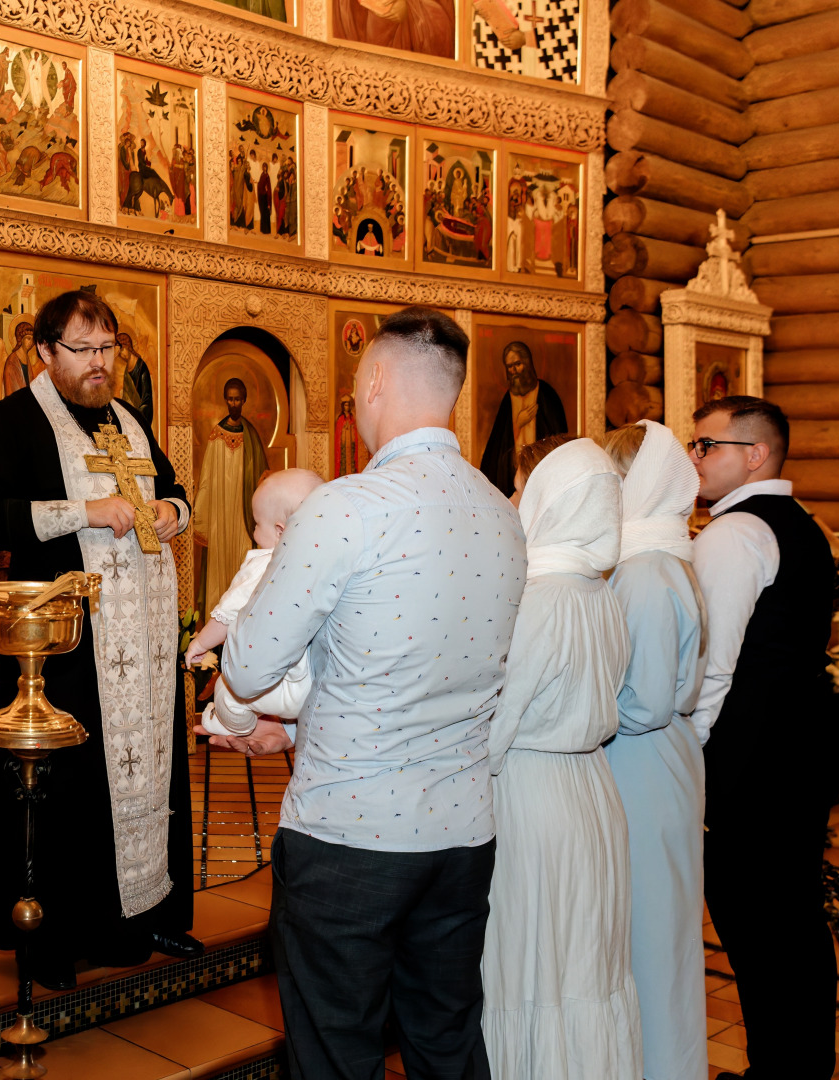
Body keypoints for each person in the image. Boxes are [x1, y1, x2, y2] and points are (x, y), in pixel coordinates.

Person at [219, 307, 525, 1080]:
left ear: (377, 380)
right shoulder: (501, 514)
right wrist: (295, 728)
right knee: (445, 1040)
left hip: (349, 833)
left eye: (356, 387)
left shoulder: (346, 506)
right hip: (462, 831)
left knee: (335, 1052)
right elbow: (418, 665)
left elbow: (251, 669)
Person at [0, 289, 199, 991]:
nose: (100, 365)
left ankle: (142, 916)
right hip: (63, 650)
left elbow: (178, 492)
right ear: (44, 351)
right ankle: (51, 937)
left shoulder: (128, 419)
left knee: (146, 777)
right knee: (64, 790)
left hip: (143, 646)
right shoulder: (12, 421)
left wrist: (170, 511)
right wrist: (84, 513)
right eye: (83, 350)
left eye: (108, 349)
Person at [689, 396, 839, 1080]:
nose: (692, 458)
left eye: (705, 445)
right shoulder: (801, 523)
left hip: (752, 754)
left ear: (753, 454)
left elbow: (712, 664)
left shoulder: (732, 533)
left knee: (756, 923)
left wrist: (685, 756)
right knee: (791, 923)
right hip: (803, 737)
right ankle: (799, 1066)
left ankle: (778, 1071)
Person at [480, 436, 640, 1080]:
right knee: (583, 960)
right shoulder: (601, 592)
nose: (515, 501)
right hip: (592, 788)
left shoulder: (538, 597)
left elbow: (497, 721)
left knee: (530, 962)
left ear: (550, 500)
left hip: (531, 792)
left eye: (523, 488)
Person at [602, 420, 708, 1080]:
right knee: (655, 938)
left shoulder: (641, 569)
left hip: (637, 762)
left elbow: (638, 702)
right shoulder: (664, 555)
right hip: (657, 758)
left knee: (647, 942)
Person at [185, 468, 324, 737]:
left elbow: (227, 614)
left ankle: (233, 726)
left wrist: (200, 643)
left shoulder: (267, 564)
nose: (254, 532)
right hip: (324, 686)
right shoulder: (326, 562)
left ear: (281, 532)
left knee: (228, 691)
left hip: (286, 686)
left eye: (257, 524)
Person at [193, 377, 266, 616]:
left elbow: (262, 477)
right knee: (220, 562)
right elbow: (206, 480)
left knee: (242, 561)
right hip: (220, 514)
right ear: (226, 400)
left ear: (244, 400)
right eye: (230, 398)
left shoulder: (252, 436)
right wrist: (202, 516)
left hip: (243, 513)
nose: (233, 403)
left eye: (237, 399)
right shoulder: (216, 435)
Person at [479, 340, 568, 497]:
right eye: (509, 366)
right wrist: (517, 424)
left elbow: (558, 438)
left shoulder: (547, 395)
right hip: (514, 479)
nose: (514, 370)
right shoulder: (508, 399)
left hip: (543, 474)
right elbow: (498, 445)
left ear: (527, 363)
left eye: (518, 364)